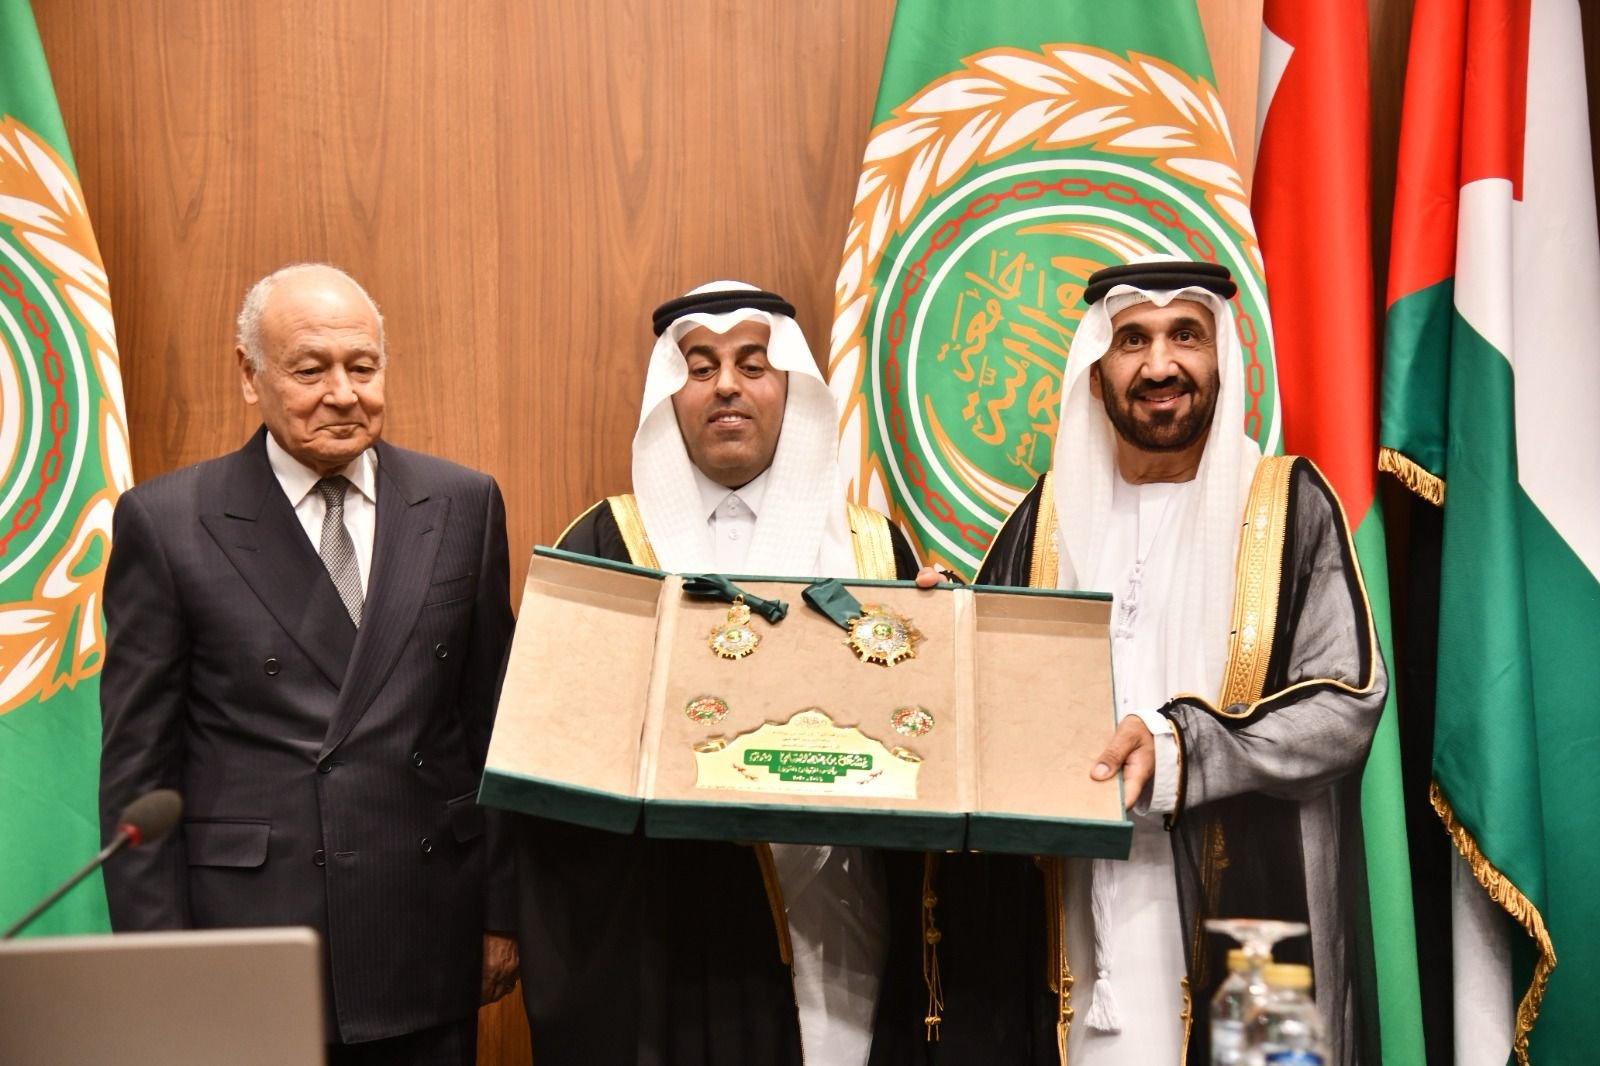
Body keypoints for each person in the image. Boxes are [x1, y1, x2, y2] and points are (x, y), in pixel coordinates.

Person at [874, 258, 1386, 1065]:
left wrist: (1180, 750)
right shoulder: (1048, 519)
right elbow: (988, 701)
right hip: (1074, 915)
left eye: (1186, 336)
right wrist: (936, 637)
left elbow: (1344, 707)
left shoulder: (1288, 504)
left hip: (1254, 917)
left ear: (1221, 359)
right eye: (1132, 341)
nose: (1159, 364)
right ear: (1096, 371)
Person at [99, 263, 518, 1065]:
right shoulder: (169, 521)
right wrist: (157, 963)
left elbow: (495, 727)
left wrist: (504, 913)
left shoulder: (463, 504)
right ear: (249, 375)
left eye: (363, 367)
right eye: (310, 370)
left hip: (424, 927)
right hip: (252, 940)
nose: (343, 394)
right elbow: (138, 771)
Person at [517, 282, 919, 1065]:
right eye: (700, 367)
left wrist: (935, 639)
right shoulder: (603, 547)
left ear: (790, 387)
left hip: (837, 928)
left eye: (752, 365)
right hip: (663, 940)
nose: (726, 385)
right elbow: (545, 773)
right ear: (671, 394)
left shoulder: (874, 551)